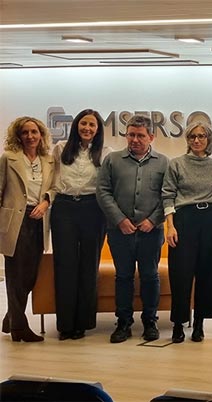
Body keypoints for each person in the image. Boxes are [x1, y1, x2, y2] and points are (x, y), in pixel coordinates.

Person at [97, 115, 169, 343]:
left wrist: (153, 220)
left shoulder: (163, 162)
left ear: (151, 137)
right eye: (131, 134)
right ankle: (124, 322)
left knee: (150, 276)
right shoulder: (113, 160)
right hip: (120, 232)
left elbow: (167, 195)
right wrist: (119, 219)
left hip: (151, 231)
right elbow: (103, 191)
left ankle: (150, 321)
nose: (135, 139)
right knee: (124, 277)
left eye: (140, 135)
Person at [50, 109, 112, 341]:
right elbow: (51, 180)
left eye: (92, 125)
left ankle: (83, 323)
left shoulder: (106, 153)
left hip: (93, 210)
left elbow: (108, 186)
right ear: (76, 125)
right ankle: (65, 324)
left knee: (88, 266)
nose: (87, 128)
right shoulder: (60, 148)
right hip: (64, 209)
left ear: (98, 130)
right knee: (65, 265)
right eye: (84, 123)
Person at [162, 122, 212, 343]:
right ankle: (179, 324)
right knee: (181, 274)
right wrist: (170, 225)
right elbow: (167, 195)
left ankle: (199, 324)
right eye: (192, 137)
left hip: (210, 220)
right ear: (187, 140)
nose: (197, 140)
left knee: (207, 273)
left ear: (208, 139)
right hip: (184, 219)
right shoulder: (176, 164)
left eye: (201, 136)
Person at [0, 116, 55, 343]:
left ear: (41, 135)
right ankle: (19, 328)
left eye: (34, 132)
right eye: (25, 132)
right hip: (15, 221)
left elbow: (53, 187)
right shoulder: (9, 158)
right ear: (18, 136)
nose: (30, 136)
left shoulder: (48, 160)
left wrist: (45, 202)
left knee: (31, 275)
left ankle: (11, 318)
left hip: (38, 219)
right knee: (15, 275)